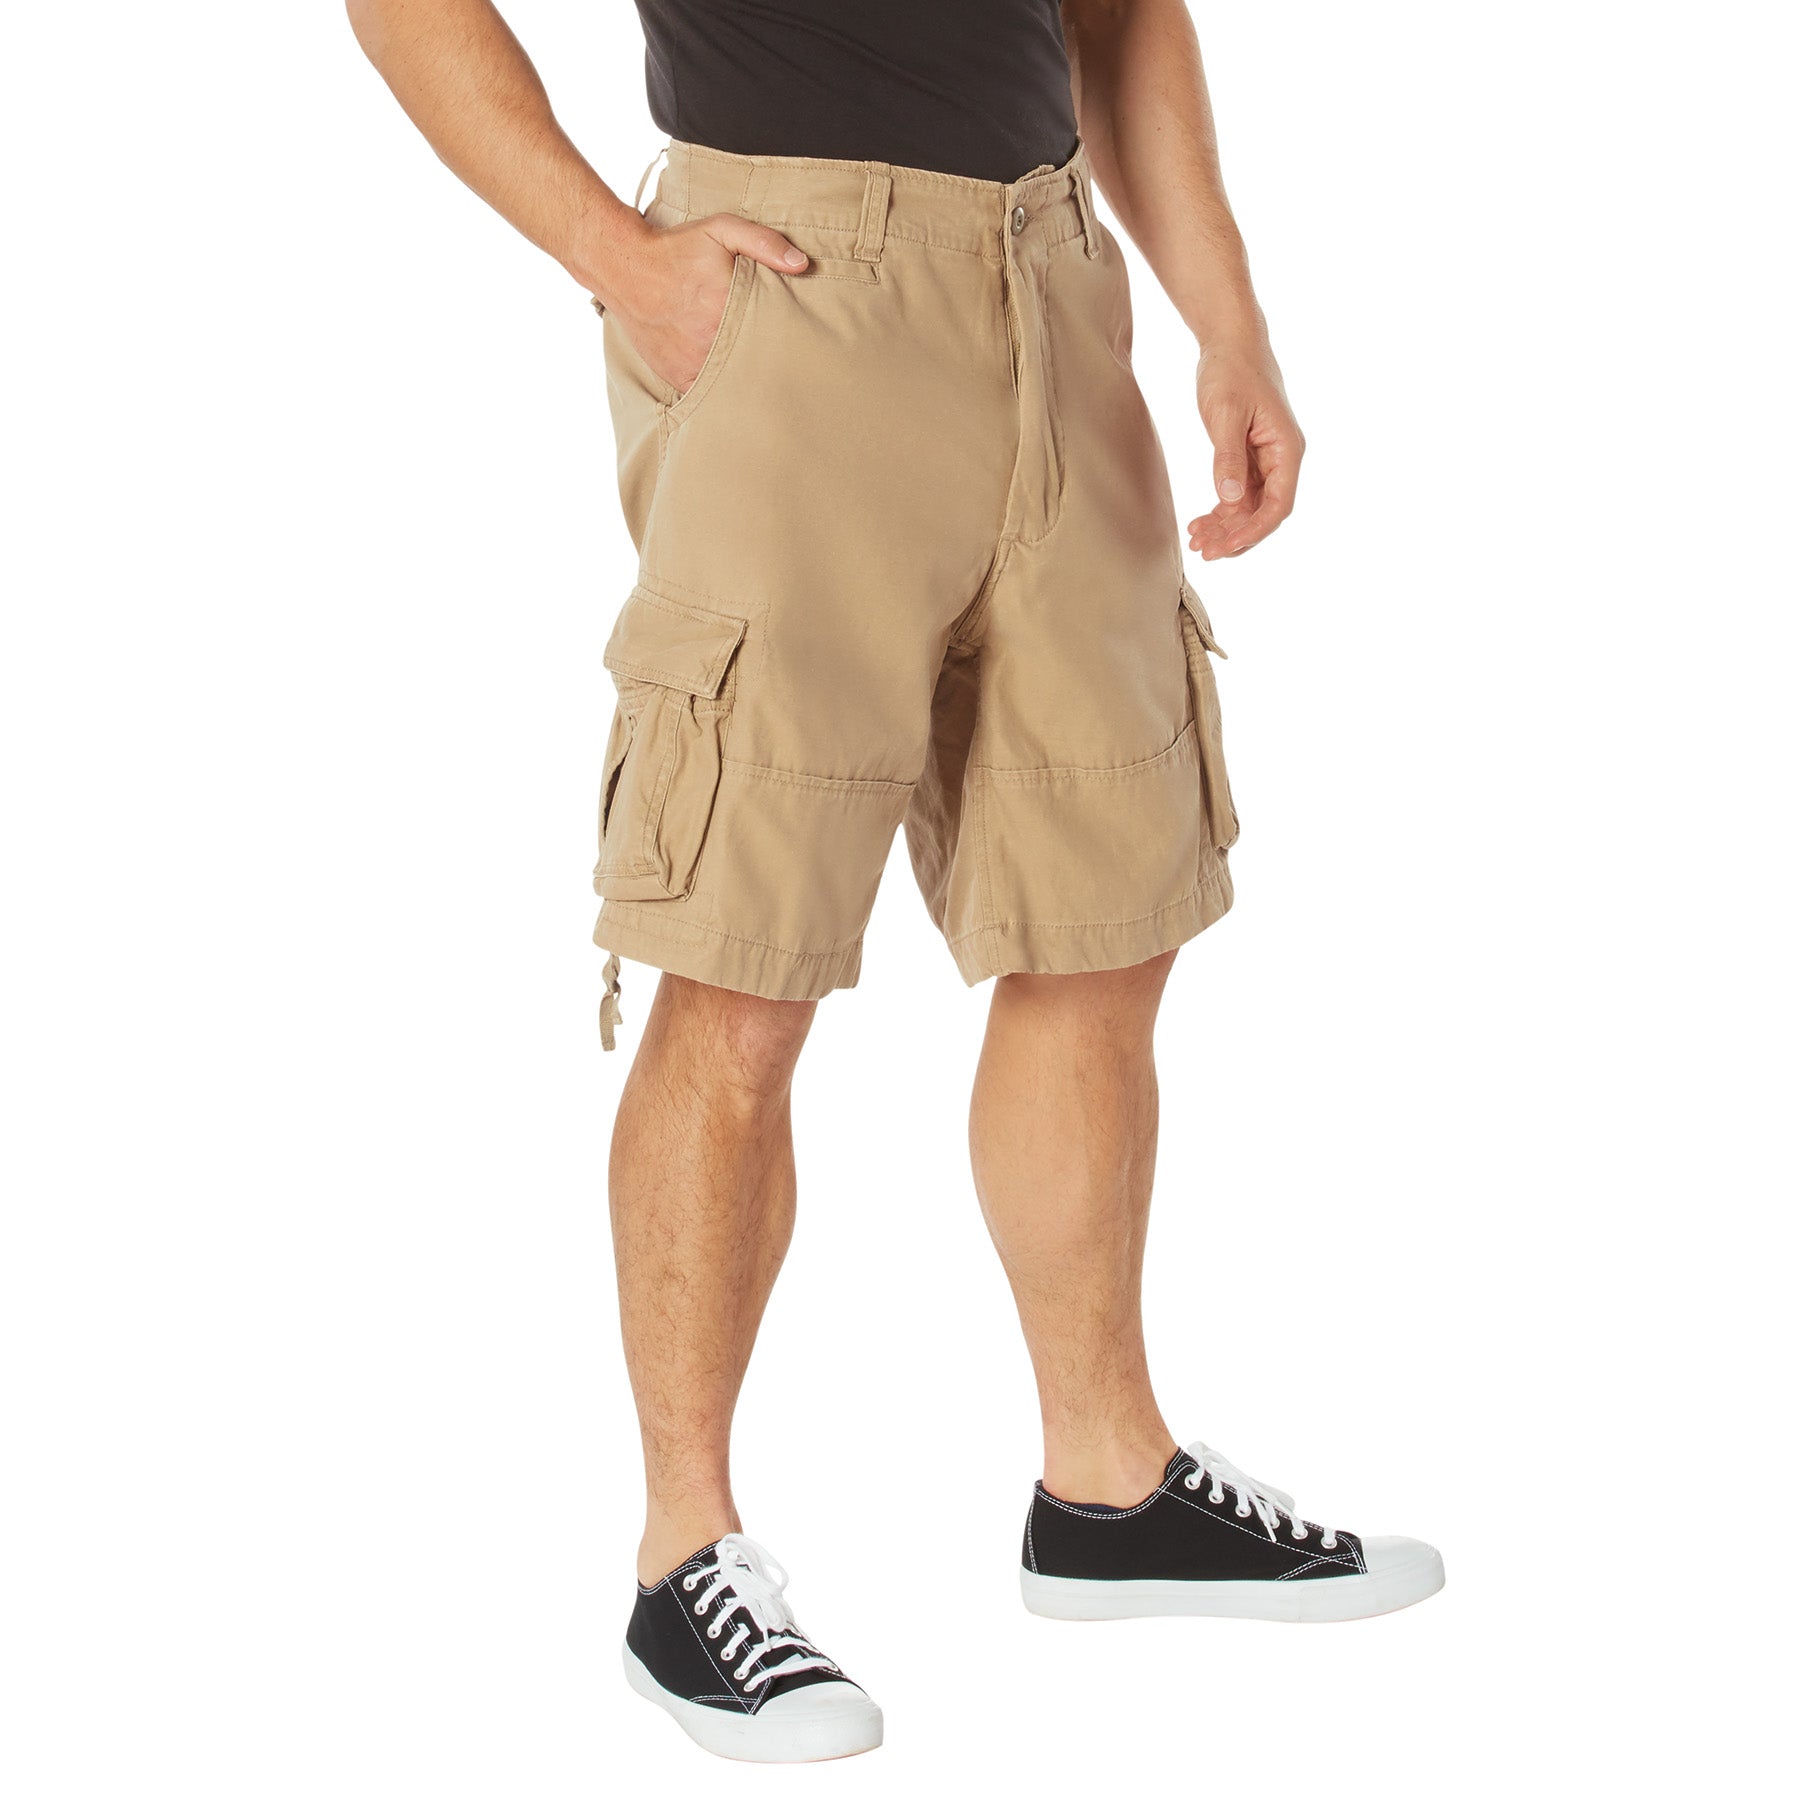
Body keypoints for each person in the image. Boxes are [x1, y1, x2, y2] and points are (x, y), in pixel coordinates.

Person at [349, 0, 1442, 1763]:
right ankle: (684, 1557)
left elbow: (1121, 16)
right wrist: (619, 259)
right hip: (791, 292)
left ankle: (1109, 1486)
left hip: (1049, 285)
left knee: (1103, 920)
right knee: (743, 962)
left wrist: (1227, 323)